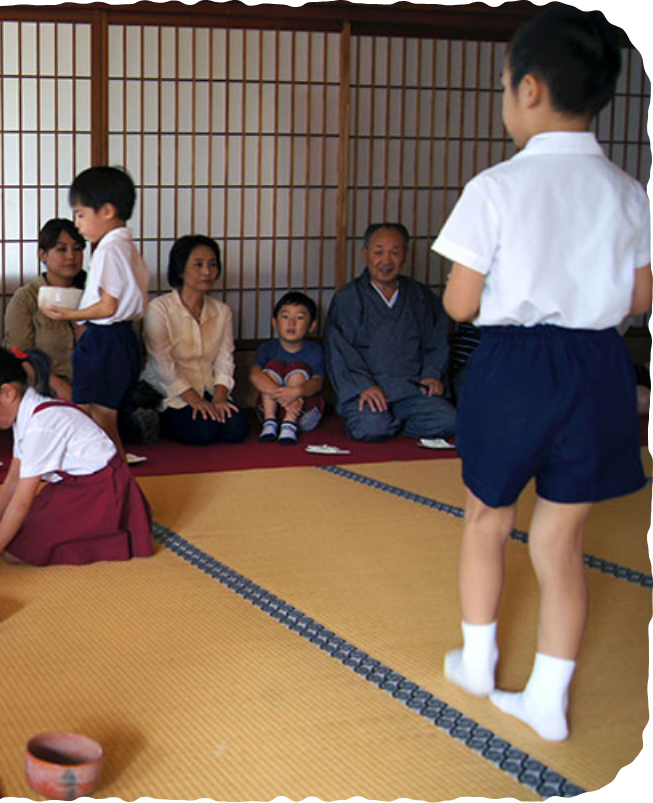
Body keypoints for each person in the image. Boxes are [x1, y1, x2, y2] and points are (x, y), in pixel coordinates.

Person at [433, 6, 652, 742]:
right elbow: (642, 297)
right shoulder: (628, 191)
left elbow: (461, 305)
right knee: (562, 543)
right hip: (598, 367)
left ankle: (479, 659)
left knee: (486, 518)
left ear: (528, 89)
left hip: (515, 365)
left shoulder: (495, 186)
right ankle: (549, 698)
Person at [0, 345, 154, 568]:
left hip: (102, 491)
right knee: (12, 539)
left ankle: (105, 539)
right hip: (75, 486)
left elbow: (21, 501)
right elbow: (13, 480)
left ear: (7, 393)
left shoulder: (40, 425)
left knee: (15, 553)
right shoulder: (25, 411)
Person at [44, 166, 150, 457]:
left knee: (101, 421)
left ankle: (115, 487)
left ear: (106, 211)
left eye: (80, 214)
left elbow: (108, 306)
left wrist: (67, 315)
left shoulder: (108, 249)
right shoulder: (126, 246)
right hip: (120, 338)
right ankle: (104, 484)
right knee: (94, 416)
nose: (77, 224)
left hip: (105, 339)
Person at [324, 222, 456, 442]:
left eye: (395, 252)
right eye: (378, 252)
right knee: (370, 427)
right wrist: (364, 386)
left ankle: (391, 421)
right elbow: (339, 352)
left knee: (449, 420)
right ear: (365, 254)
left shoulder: (421, 297)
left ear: (405, 254)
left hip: (412, 390)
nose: (386, 261)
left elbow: (437, 342)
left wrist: (432, 373)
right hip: (367, 391)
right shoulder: (348, 298)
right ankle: (385, 420)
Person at [142, 234, 250, 446]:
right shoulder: (159, 309)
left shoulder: (222, 311)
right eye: (198, 265)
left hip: (208, 388)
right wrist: (195, 401)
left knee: (237, 428)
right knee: (203, 431)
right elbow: (162, 364)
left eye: (212, 264)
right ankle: (151, 419)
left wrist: (220, 397)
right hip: (171, 392)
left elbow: (224, 358)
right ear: (180, 269)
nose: (207, 272)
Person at [4, 218, 87, 400]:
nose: (71, 256)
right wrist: (58, 386)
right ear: (42, 255)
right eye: (61, 249)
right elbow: (19, 355)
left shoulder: (94, 295)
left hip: (92, 389)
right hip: (42, 392)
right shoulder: (26, 298)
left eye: (77, 249)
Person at [249, 291, 326, 445]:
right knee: (274, 366)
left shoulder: (315, 350)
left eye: (299, 317)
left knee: (297, 368)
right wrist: (285, 399)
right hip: (270, 412)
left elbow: (317, 382)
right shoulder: (267, 348)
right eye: (285, 317)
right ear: (275, 323)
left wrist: (296, 392)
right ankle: (271, 423)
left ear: (312, 326)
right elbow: (255, 376)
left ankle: (289, 424)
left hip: (304, 414)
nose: (291, 323)